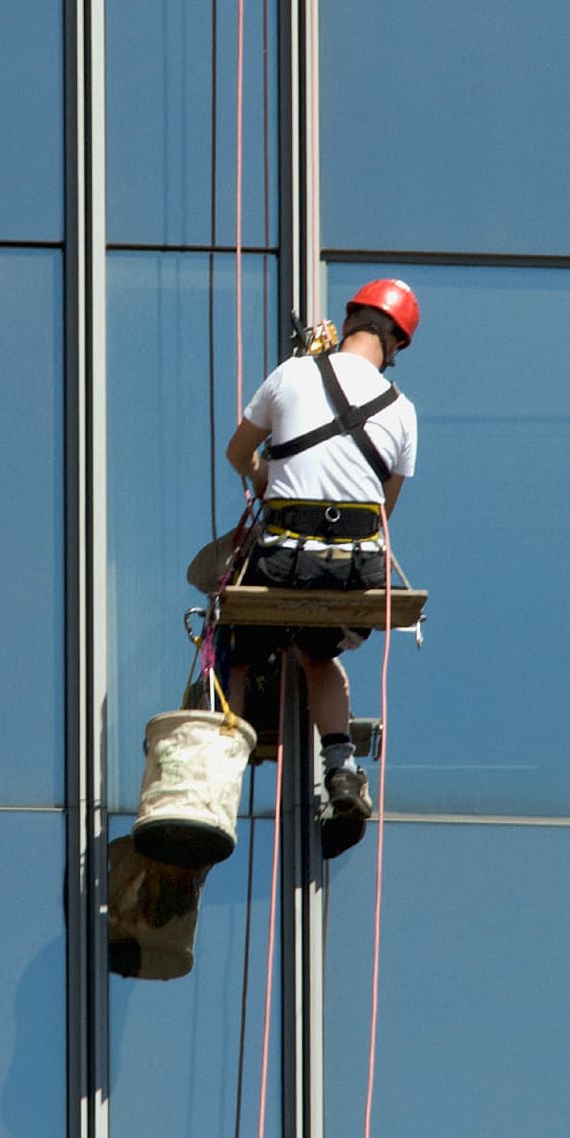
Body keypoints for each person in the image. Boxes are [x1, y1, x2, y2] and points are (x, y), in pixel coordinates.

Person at [220, 277, 420, 857]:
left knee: (236, 649)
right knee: (319, 656)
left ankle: (223, 769)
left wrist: (266, 477)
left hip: (283, 560)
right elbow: (383, 510)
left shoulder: (291, 374)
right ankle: (340, 769)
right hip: (356, 571)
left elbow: (238, 452)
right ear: (397, 345)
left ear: (351, 317)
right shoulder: (403, 411)